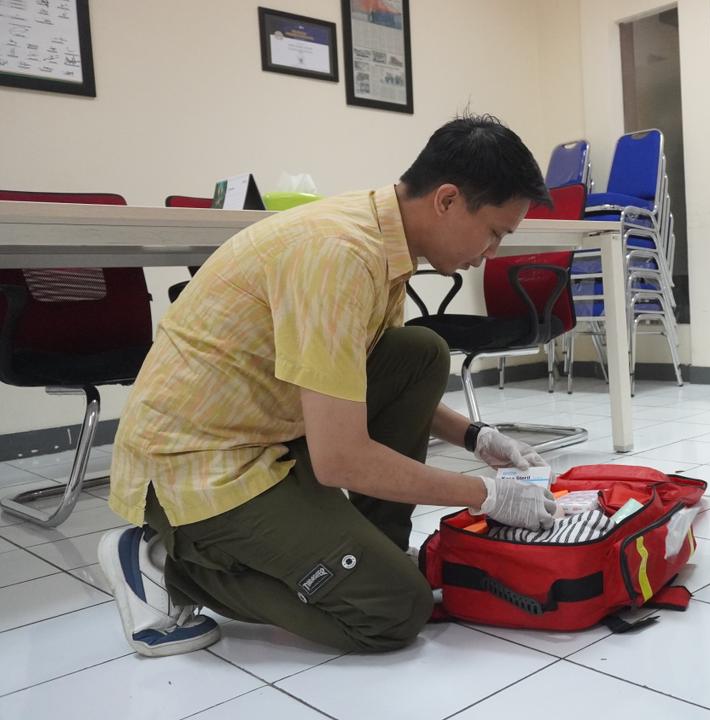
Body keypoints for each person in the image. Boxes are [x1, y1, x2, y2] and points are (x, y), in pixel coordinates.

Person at [97, 115, 561, 657]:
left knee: (419, 353)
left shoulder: (383, 239)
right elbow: (340, 459)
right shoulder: (339, 253)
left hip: (266, 430)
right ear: (448, 200)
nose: (492, 253)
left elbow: (356, 376)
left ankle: (372, 553)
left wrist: (477, 438)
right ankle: (165, 565)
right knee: (393, 611)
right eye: (495, 232)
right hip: (200, 466)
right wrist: (486, 494)